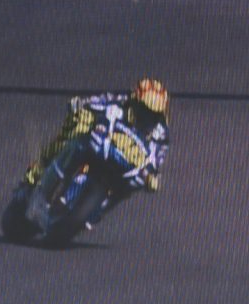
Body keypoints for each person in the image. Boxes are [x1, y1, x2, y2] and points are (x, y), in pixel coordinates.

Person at [21, 79, 169, 228]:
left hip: (125, 161)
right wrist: (82, 105)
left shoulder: (161, 132)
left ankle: (100, 210)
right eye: (144, 110)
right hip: (103, 141)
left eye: (154, 114)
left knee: (133, 185)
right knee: (77, 131)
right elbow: (98, 101)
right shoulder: (121, 101)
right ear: (135, 101)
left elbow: (157, 157)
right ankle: (39, 174)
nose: (148, 117)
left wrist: (151, 175)